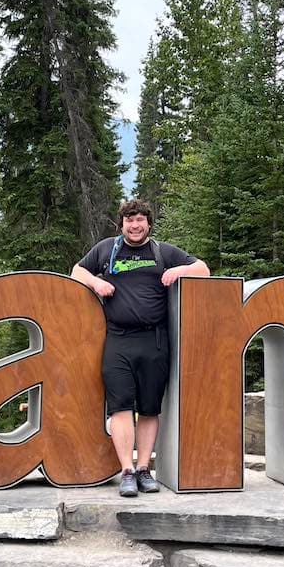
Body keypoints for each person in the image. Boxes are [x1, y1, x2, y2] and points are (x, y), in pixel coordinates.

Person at [71, 200, 210, 497]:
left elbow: (203, 269)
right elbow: (77, 272)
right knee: (120, 406)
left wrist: (180, 272)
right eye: (129, 220)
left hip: (154, 340)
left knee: (149, 408)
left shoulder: (163, 251)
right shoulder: (108, 249)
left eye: (140, 220)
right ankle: (127, 471)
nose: (135, 226)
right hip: (118, 339)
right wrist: (96, 283)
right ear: (121, 224)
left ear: (149, 223)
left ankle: (145, 468)